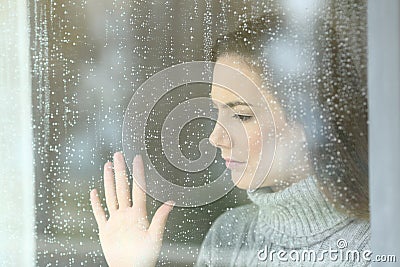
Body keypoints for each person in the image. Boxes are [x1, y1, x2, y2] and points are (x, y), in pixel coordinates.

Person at [90, 13, 370, 267]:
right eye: (217, 111)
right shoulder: (229, 236)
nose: (215, 137)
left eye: (242, 115)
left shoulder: (376, 243)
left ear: (311, 119)